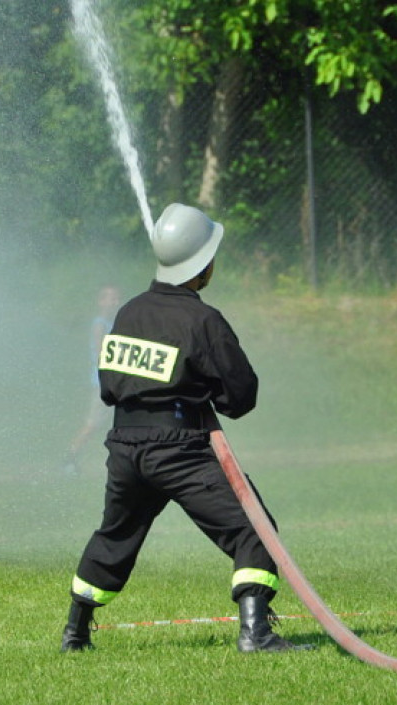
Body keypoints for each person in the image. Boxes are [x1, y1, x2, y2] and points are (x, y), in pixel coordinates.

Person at [60, 202, 311, 654]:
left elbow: (110, 388)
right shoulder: (203, 320)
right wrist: (200, 391)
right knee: (253, 528)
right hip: (180, 449)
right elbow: (241, 397)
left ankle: (75, 632)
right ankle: (256, 633)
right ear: (203, 264)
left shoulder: (128, 313)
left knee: (116, 535)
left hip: (125, 447)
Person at [65, 284, 121, 473]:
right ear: (100, 302)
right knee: (92, 423)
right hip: (103, 383)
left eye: (116, 298)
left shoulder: (113, 324)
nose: (114, 302)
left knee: (118, 422)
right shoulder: (99, 324)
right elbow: (100, 353)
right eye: (110, 298)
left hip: (114, 382)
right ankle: (70, 458)